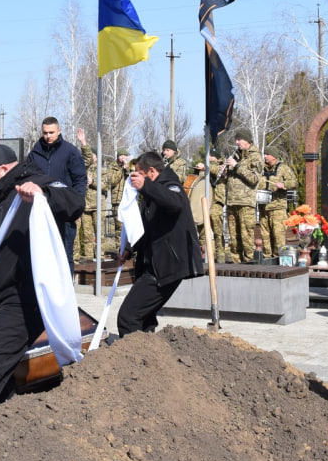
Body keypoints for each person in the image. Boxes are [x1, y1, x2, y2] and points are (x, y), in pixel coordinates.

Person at [0, 145, 83, 408]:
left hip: (25, 298)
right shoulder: (0, 206)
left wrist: (44, 193)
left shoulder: (36, 182)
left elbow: (74, 202)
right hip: (2, 298)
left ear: (4, 169)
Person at [116, 152, 204, 335]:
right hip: (152, 263)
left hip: (165, 266)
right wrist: (129, 249)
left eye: (139, 174)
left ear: (152, 172)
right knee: (144, 317)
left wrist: (146, 186)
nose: (135, 178)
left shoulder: (171, 187)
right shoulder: (152, 192)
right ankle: (151, 356)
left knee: (128, 317)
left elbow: (175, 203)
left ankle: (133, 359)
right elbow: (145, 226)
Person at [27, 116, 88, 257]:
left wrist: (76, 207)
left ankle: (66, 280)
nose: (48, 136)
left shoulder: (70, 152)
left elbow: (80, 179)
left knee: (64, 255)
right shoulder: (35, 153)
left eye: (51, 132)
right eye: (45, 133)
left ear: (59, 131)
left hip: (64, 210)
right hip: (41, 210)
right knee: (42, 256)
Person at [220, 128, 263, 264]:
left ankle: (250, 265)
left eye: (239, 139)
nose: (237, 142)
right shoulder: (236, 155)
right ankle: (236, 265)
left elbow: (254, 178)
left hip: (245, 202)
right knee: (234, 238)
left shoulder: (255, 156)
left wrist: (237, 166)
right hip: (232, 201)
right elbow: (232, 180)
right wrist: (225, 172)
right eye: (236, 140)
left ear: (247, 140)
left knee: (246, 236)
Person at [258, 151, 296, 259]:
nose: (265, 156)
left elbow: (294, 182)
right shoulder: (261, 169)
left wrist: (283, 185)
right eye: (264, 154)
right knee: (265, 236)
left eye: (267, 154)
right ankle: (267, 259)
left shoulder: (283, 168)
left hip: (278, 208)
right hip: (263, 208)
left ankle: (279, 259)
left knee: (278, 236)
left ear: (273, 156)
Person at [74, 128, 104, 260]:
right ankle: (88, 256)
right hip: (85, 206)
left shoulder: (102, 170)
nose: (91, 157)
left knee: (100, 233)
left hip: (97, 205)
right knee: (86, 234)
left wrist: (93, 182)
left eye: (93, 155)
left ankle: (100, 256)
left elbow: (107, 185)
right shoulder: (82, 168)